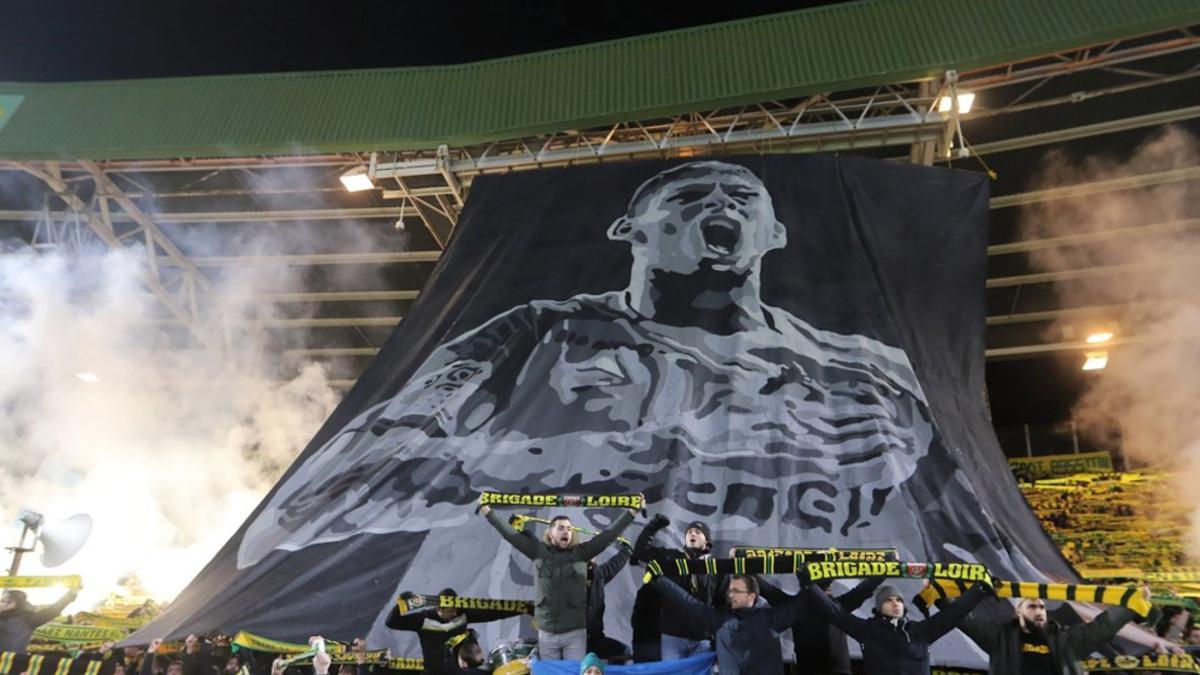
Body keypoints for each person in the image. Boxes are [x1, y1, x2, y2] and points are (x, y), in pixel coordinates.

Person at [482, 503, 636, 660]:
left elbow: (609, 541)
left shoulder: (597, 572)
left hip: (584, 635)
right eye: (561, 528)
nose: (566, 531)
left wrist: (628, 540)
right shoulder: (547, 554)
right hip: (550, 632)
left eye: (569, 528)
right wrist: (492, 514)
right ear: (550, 534)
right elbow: (516, 538)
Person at [807, 580, 991, 675]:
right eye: (889, 600)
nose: (895, 604)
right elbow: (835, 613)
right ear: (879, 607)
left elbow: (953, 614)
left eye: (899, 600)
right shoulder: (867, 630)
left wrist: (978, 591)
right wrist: (810, 586)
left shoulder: (920, 631)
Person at [947, 590, 1149, 675]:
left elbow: (1101, 628)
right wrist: (941, 597)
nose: (1039, 611)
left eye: (1042, 607)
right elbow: (962, 619)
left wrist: (1130, 606)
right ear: (1019, 611)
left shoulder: (1065, 640)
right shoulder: (1000, 638)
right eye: (1032, 607)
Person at [654, 573, 809, 674]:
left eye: (736, 591)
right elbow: (689, 603)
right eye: (729, 590)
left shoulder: (772, 619)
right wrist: (660, 580)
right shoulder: (720, 619)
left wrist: (811, 583)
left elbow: (801, 603)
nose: (729, 594)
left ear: (751, 596)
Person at [633, 514, 722, 660]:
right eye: (689, 532)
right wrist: (652, 527)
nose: (692, 533)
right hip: (672, 637)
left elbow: (722, 603)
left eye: (698, 532)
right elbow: (640, 553)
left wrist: (718, 637)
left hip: (702, 640)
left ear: (707, 542)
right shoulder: (671, 558)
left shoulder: (716, 567)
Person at [757, 574, 883, 674]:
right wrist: (739, 563)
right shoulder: (796, 606)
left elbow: (864, 590)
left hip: (836, 670)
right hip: (812, 670)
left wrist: (888, 567)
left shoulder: (836, 606)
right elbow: (766, 589)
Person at [385, 587, 526, 675]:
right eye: (450, 611)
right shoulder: (424, 619)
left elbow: (494, 612)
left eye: (456, 609)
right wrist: (400, 606)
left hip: (461, 670)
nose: (454, 614)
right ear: (439, 609)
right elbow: (392, 622)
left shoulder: (462, 614)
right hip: (435, 672)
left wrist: (523, 608)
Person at [585, 539, 633, 660]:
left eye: (594, 551)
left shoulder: (599, 574)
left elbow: (615, 563)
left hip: (595, 638)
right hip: (573, 640)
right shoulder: (568, 573)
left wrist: (626, 550)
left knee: (624, 651)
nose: (591, 553)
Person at [0, 587, 79, 653]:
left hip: (11, 664)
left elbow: (53, 610)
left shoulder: (28, 619)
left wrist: (71, 594)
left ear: (13, 604)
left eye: (2, 601)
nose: (0, 603)